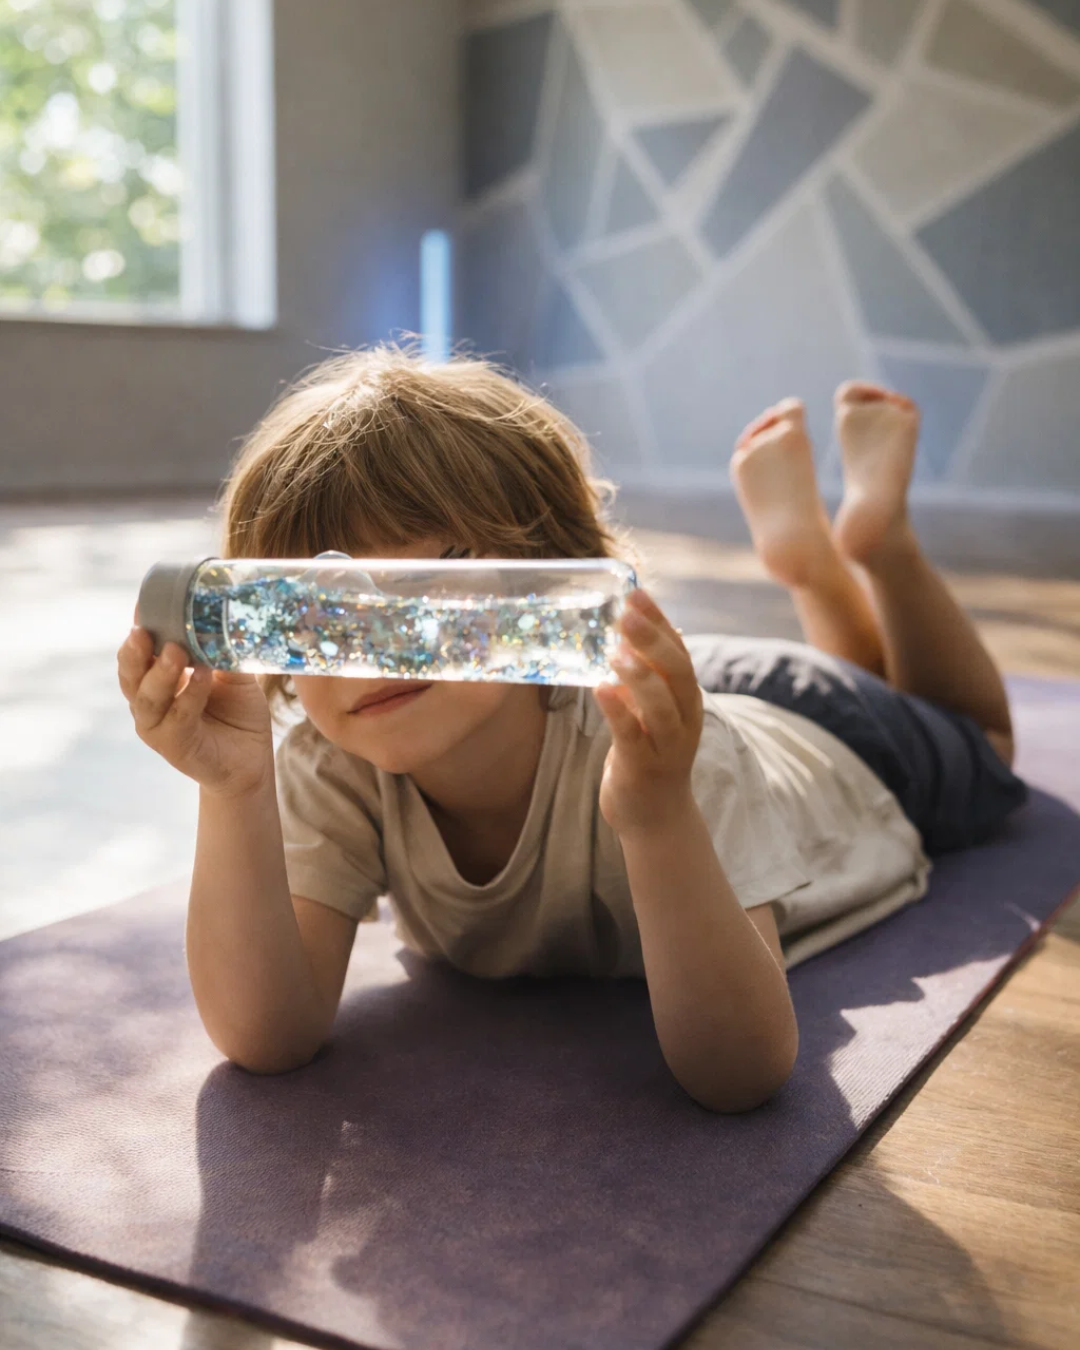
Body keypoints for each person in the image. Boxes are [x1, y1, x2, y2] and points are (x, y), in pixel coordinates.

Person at [116, 349, 1027, 1113]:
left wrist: (659, 811)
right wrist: (232, 788)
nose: (375, 655)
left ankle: (873, 545)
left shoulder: (677, 763)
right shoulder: (332, 759)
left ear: (555, 578)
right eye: (326, 615)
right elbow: (266, 1037)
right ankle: (812, 566)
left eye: (432, 587)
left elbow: (741, 1075)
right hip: (632, 684)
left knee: (984, 745)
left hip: (822, 738)